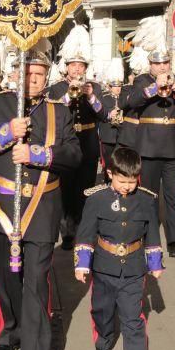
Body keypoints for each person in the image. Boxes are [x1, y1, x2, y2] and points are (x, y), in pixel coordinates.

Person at [0, 49, 82, 350]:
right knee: (5, 280)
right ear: (15, 72)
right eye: (26, 73)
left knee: (35, 284)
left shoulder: (59, 112)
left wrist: (39, 154)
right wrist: (5, 133)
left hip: (42, 208)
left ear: (46, 76)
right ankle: (10, 330)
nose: (31, 79)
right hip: (1, 205)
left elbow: (75, 155)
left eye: (38, 74)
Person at [74, 147, 163, 350]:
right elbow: (85, 233)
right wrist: (82, 264)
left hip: (134, 268)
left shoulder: (146, 200)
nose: (127, 186)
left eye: (132, 182)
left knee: (133, 320)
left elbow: (152, 233)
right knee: (102, 311)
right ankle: (103, 341)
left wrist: (155, 264)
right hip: (103, 267)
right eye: (122, 181)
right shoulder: (96, 199)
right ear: (110, 173)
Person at [127, 50, 175, 258]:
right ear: (150, 64)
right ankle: (147, 239)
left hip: (173, 146)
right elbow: (132, 103)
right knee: (148, 195)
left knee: (173, 194)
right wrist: (154, 87)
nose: (162, 67)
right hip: (148, 145)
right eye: (158, 63)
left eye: (165, 63)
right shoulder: (142, 80)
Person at [48, 25, 104, 250]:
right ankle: (67, 232)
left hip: (88, 143)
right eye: (74, 65)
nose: (77, 69)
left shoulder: (94, 87)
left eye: (81, 66)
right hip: (67, 144)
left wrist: (90, 96)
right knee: (65, 189)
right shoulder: (56, 89)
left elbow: (103, 114)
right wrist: (68, 94)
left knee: (85, 189)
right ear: (67, 68)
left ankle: (82, 229)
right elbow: (54, 111)